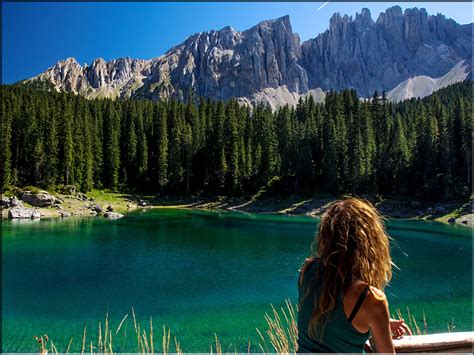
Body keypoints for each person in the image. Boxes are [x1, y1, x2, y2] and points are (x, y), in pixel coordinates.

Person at [297, 197, 411, 353]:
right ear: (370, 242)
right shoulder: (370, 299)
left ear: (326, 236)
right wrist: (378, 320)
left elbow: (331, 316)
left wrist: (382, 322)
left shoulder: (308, 271)